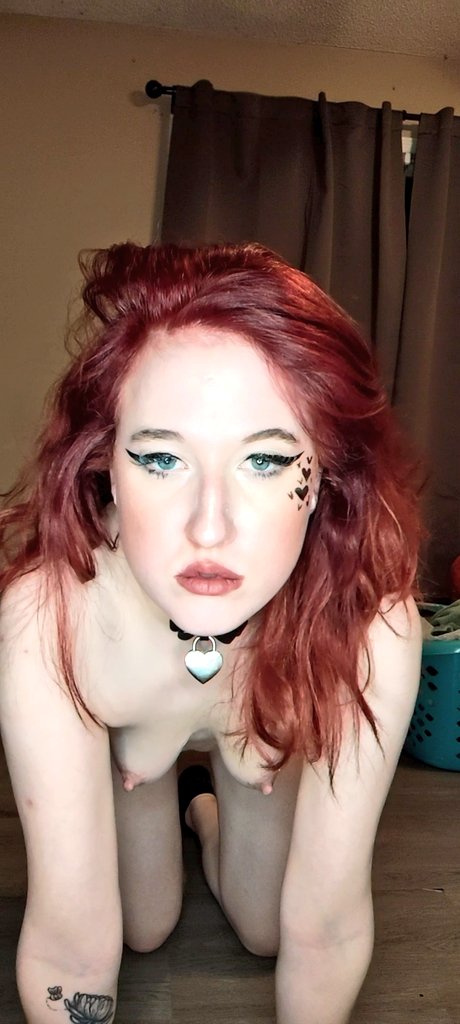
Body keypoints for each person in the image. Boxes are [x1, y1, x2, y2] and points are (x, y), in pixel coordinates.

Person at [0, 241, 422, 1024]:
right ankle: (162, 781)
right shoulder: (51, 615)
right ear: (106, 467)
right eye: (162, 459)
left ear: (323, 477)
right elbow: (68, 947)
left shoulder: (373, 625)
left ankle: (204, 807)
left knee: (268, 931)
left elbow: (328, 925)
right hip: (131, 747)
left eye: (265, 463)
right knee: (144, 925)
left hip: (259, 734)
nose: (209, 526)